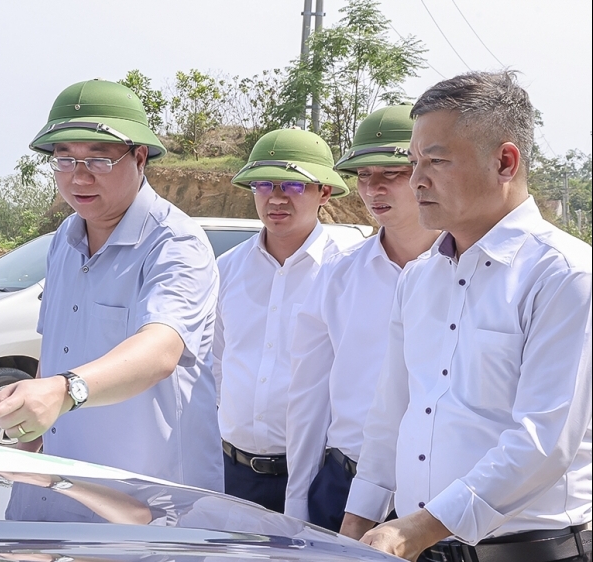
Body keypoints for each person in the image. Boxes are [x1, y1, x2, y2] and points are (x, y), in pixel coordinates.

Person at [340, 71, 592, 562]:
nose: (417, 180)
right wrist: (357, 521)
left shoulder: (564, 275)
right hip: (417, 546)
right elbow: (392, 412)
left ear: (504, 162)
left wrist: (420, 528)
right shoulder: (420, 276)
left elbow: (544, 443)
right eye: (414, 162)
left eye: (436, 161)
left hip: (531, 552)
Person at [0, 78, 224, 492]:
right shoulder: (65, 239)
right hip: (63, 482)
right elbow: (56, 349)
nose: (79, 178)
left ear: (139, 157)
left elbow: (160, 351)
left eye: (98, 160)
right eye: (64, 159)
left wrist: (63, 391)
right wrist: (26, 449)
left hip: (150, 494)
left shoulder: (175, 242)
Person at [283, 105, 441, 532]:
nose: (373, 188)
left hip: (440, 495)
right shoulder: (337, 275)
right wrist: (298, 501)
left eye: (391, 173)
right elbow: (308, 396)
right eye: (364, 175)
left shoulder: (471, 274)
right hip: (344, 482)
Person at [214, 127, 348, 512]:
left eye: (293, 185)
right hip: (233, 473)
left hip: (319, 476)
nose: (276, 198)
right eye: (264, 185)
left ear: (324, 192)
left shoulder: (345, 271)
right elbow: (217, 362)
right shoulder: (228, 268)